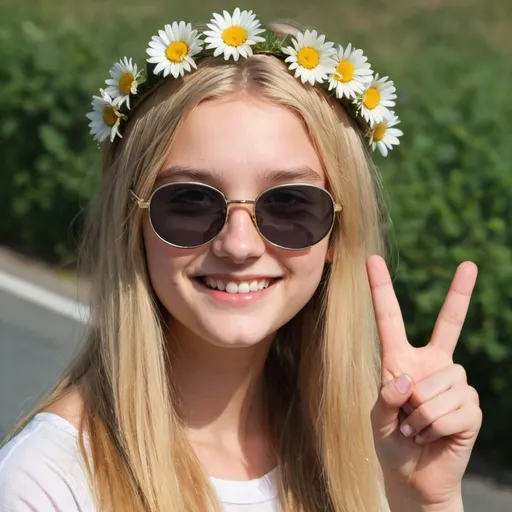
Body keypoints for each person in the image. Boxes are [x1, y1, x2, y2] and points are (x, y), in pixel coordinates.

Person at [0, 8, 482, 512]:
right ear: (132, 223)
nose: (239, 245)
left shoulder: (378, 454)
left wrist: (426, 500)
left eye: (291, 204)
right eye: (188, 202)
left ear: (338, 231)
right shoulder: (49, 483)